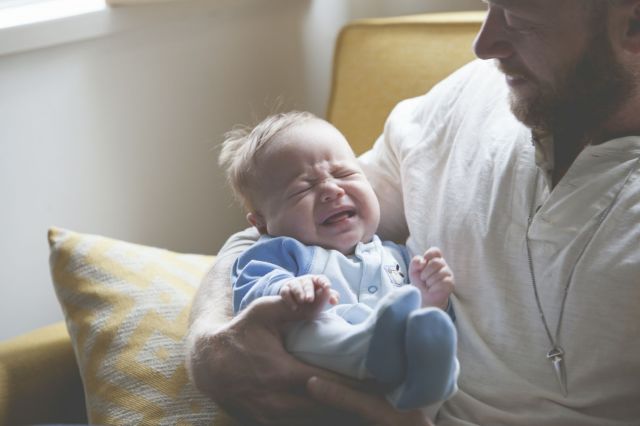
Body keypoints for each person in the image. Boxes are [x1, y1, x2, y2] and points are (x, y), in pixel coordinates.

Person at [186, 1, 640, 424]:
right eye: (488, 5)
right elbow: (279, 230)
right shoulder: (473, 92)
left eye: (520, 19)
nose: (483, 45)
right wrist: (209, 340)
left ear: (632, 27)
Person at [218, 111, 458, 411]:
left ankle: (428, 383)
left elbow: (422, 313)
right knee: (312, 329)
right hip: (325, 383)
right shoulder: (281, 253)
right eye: (302, 188)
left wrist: (432, 298)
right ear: (263, 224)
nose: (332, 190)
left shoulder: (397, 256)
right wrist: (289, 291)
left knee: (426, 326)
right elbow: (251, 291)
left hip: (399, 403)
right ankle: (374, 352)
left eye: (344, 174)